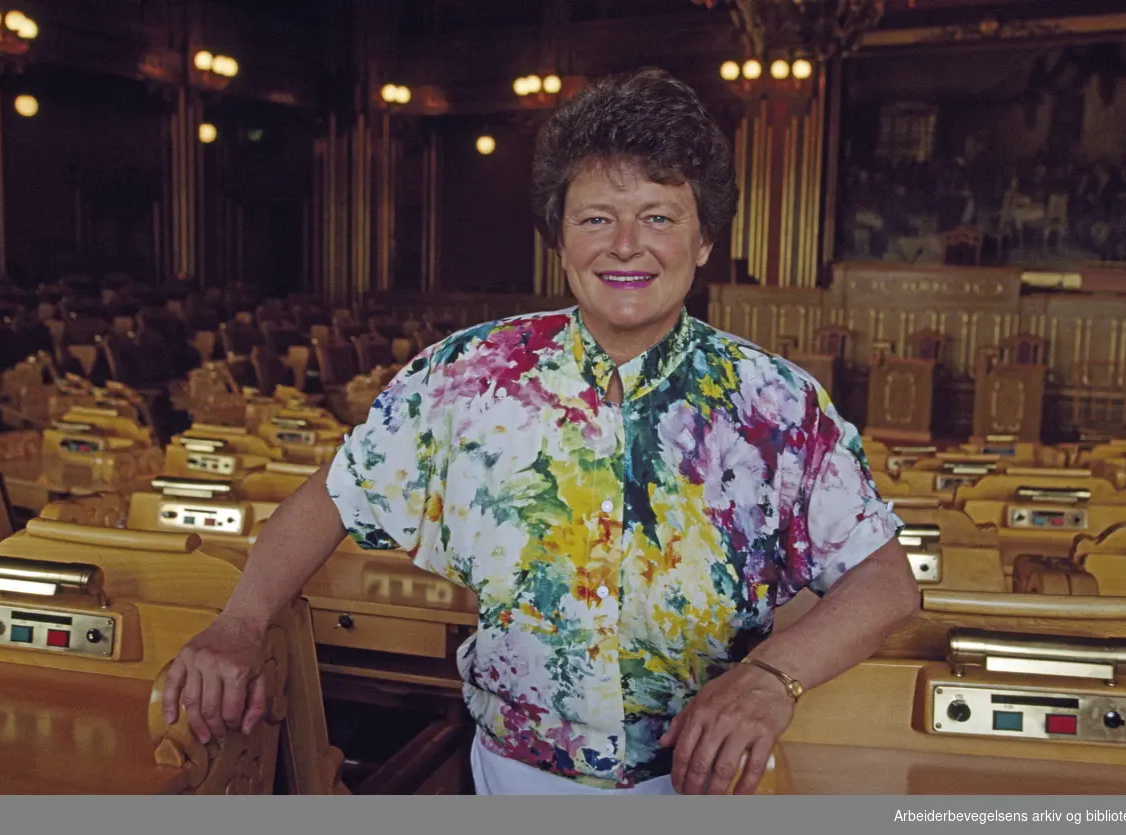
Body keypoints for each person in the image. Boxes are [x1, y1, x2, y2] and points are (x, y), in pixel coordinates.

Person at [160, 67, 919, 796]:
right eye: (596, 218)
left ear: (704, 240)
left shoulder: (777, 403)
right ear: (559, 240)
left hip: (711, 784)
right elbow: (332, 496)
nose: (626, 244)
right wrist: (239, 619)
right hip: (510, 775)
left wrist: (770, 676)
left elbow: (886, 582)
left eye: (659, 216)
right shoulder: (469, 373)